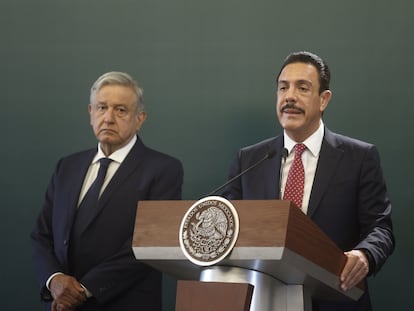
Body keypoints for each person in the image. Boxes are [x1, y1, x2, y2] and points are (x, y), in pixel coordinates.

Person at [222, 51, 395, 310]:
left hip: (335, 298)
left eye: (302, 88)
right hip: (262, 299)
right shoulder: (249, 159)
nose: (289, 96)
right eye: (283, 88)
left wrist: (364, 255)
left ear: (323, 100)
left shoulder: (359, 157)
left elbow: (380, 228)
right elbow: (226, 219)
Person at [31, 71, 184, 311]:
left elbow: (146, 245)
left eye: (121, 110)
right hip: (61, 304)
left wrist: (83, 289)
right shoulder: (67, 166)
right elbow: (42, 236)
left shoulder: (163, 169)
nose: (109, 118)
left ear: (140, 118)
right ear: (90, 113)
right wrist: (54, 280)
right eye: (101, 107)